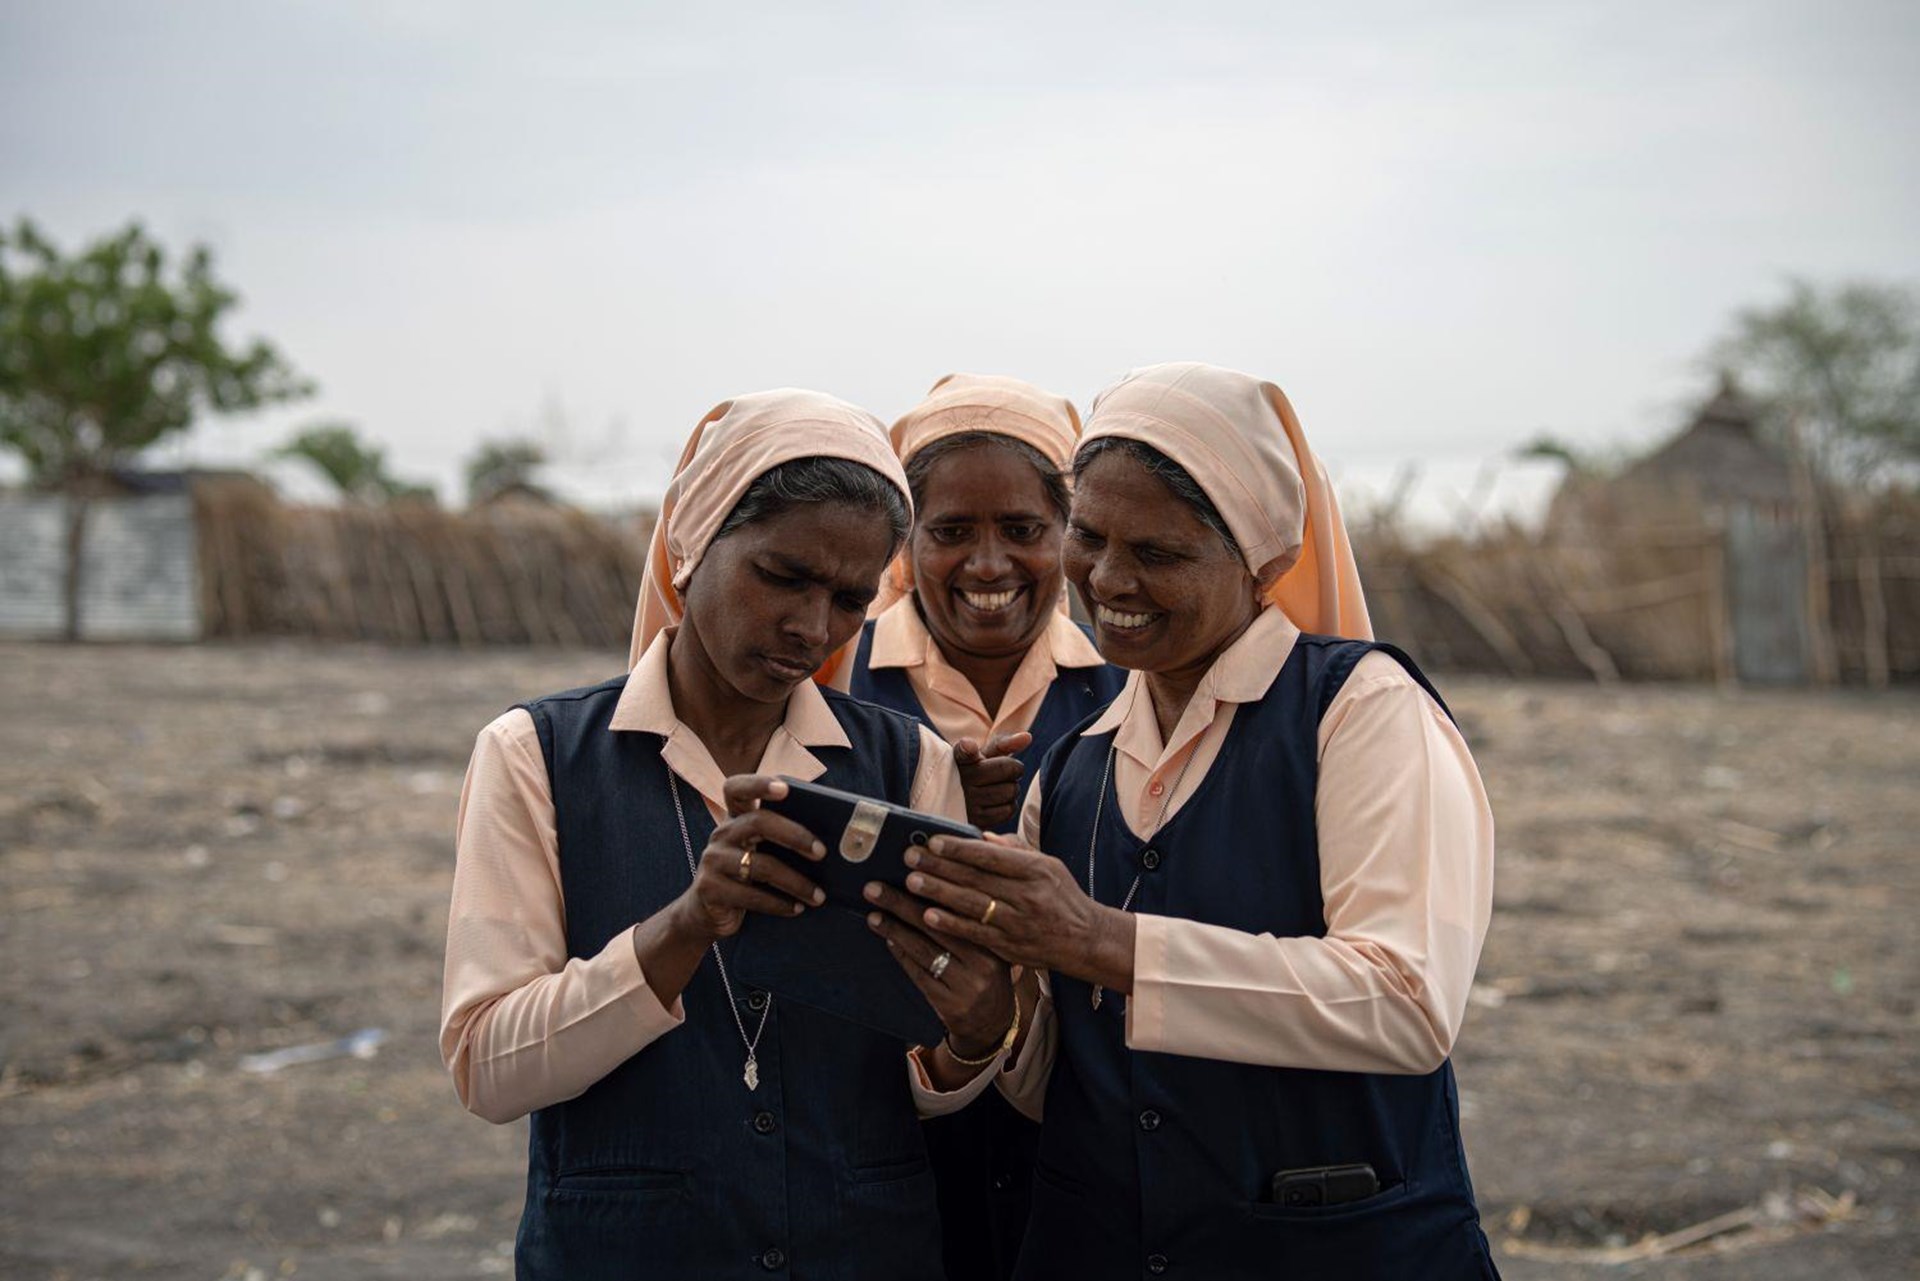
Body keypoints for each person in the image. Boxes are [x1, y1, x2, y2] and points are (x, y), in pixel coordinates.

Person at [881, 363, 1501, 1278]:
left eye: (1158, 553)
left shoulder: (1357, 710)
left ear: (1259, 559)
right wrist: (986, 1024)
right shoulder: (1076, 766)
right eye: (1087, 538)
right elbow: (1060, 1069)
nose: (1107, 578)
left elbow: (1406, 1002)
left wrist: (1108, 942)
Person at [440, 390, 1023, 1281]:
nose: (812, 627)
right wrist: (680, 929)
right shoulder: (536, 757)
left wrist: (976, 1036)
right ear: (691, 542)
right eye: (783, 576)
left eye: (849, 598)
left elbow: (913, 1067)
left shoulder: (909, 764)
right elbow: (489, 1068)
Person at [849, 373, 1125, 1280]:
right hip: (882, 1124)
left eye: (1023, 530)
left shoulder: (1129, 688)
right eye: (951, 532)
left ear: (1068, 535)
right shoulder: (831, 679)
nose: (988, 564)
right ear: (906, 543)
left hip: (1080, 1130)